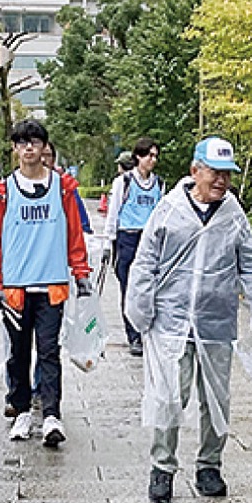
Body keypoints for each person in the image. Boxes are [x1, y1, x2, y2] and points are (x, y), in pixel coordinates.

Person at [126, 135, 252, 503]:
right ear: (195, 171)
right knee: (170, 396)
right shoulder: (169, 208)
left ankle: (209, 465)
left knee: (216, 398)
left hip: (216, 322)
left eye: (227, 174)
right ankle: (162, 467)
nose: (221, 181)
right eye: (214, 172)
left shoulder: (233, 213)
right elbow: (145, 262)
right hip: (171, 321)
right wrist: (140, 311)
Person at [0, 119, 91, 448]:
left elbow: (74, 235)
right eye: (22, 142)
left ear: (45, 147)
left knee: (49, 351)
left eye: (35, 142)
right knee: (17, 354)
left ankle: (52, 414)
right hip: (15, 289)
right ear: (14, 149)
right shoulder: (3, 192)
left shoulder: (64, 188)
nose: (29, 148)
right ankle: (22, 411)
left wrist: (81, 272)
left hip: (52, 285)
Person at [105, 136, 165, 357]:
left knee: (151, 287)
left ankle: (147, 330)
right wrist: (109, 240)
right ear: (138, 156)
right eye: (149, 155)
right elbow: (114, 211)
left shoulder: (159, 183)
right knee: (128, 288)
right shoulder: (124, 182)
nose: (152, 160)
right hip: (127, 238)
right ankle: (133, 336)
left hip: (150, 239)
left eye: (155, 156)